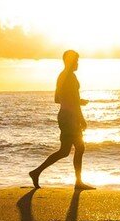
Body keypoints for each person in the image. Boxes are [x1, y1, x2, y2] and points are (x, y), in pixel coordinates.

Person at [29, 49, 93, 189]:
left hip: (64, 115)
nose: (78, 64)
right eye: (76, 61)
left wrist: (76, 100)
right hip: (70, 117)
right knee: (77, 148)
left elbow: (58, 99)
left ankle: (36, 172)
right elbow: (72, 101)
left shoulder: (62, 76)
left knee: (67, 150)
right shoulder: (70, 77)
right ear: (70, 61)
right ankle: (77, 182)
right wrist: (81, 117)